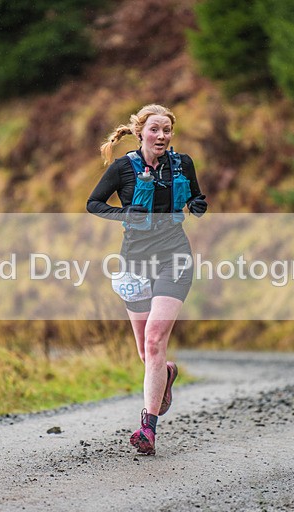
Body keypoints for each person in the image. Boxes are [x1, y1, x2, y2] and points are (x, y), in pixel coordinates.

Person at [87, 104, 208, 455]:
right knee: (146, 353)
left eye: (167, 130)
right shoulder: (123, 168)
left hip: (175, 258)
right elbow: (93, 204)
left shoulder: (182, 164)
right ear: (140, 132)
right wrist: (124, 212)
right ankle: (167, 374)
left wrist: (198, 206)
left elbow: (196, 199)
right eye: (155, 129)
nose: (162, 136)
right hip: (134, 263)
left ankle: (148, 429)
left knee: (155, 340)